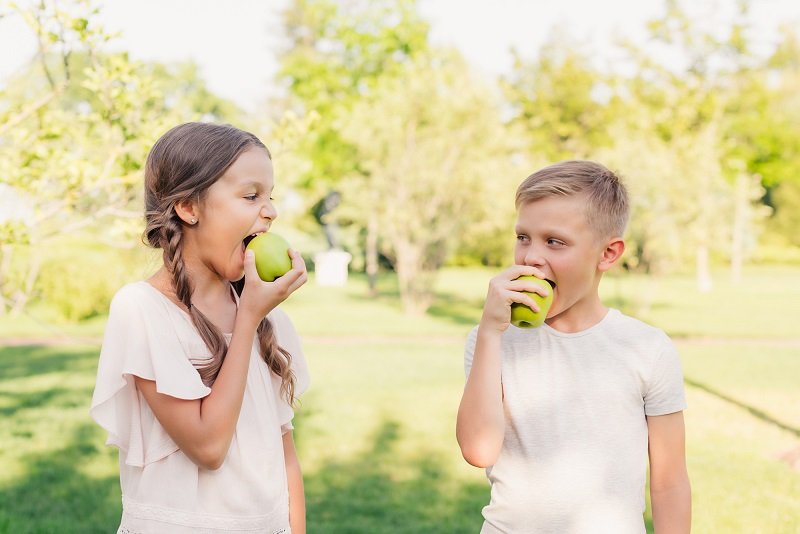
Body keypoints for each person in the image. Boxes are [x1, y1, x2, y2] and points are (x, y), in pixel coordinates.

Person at [90, 122, 310, 533]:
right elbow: (208, 447)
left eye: (270, 196)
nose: (271, 211)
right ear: (188, 207)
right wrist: (248, 320)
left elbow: (285, 457)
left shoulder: (269, 317)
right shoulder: (142, 310)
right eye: (251, 195)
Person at [456, 160, 691, 533]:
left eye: (554, 241)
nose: (531, 256)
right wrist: (488, 333)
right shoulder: (493, 341)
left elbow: (670, 482)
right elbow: (478, 450)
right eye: (523, 237)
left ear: (608, 254)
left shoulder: (646, 348)